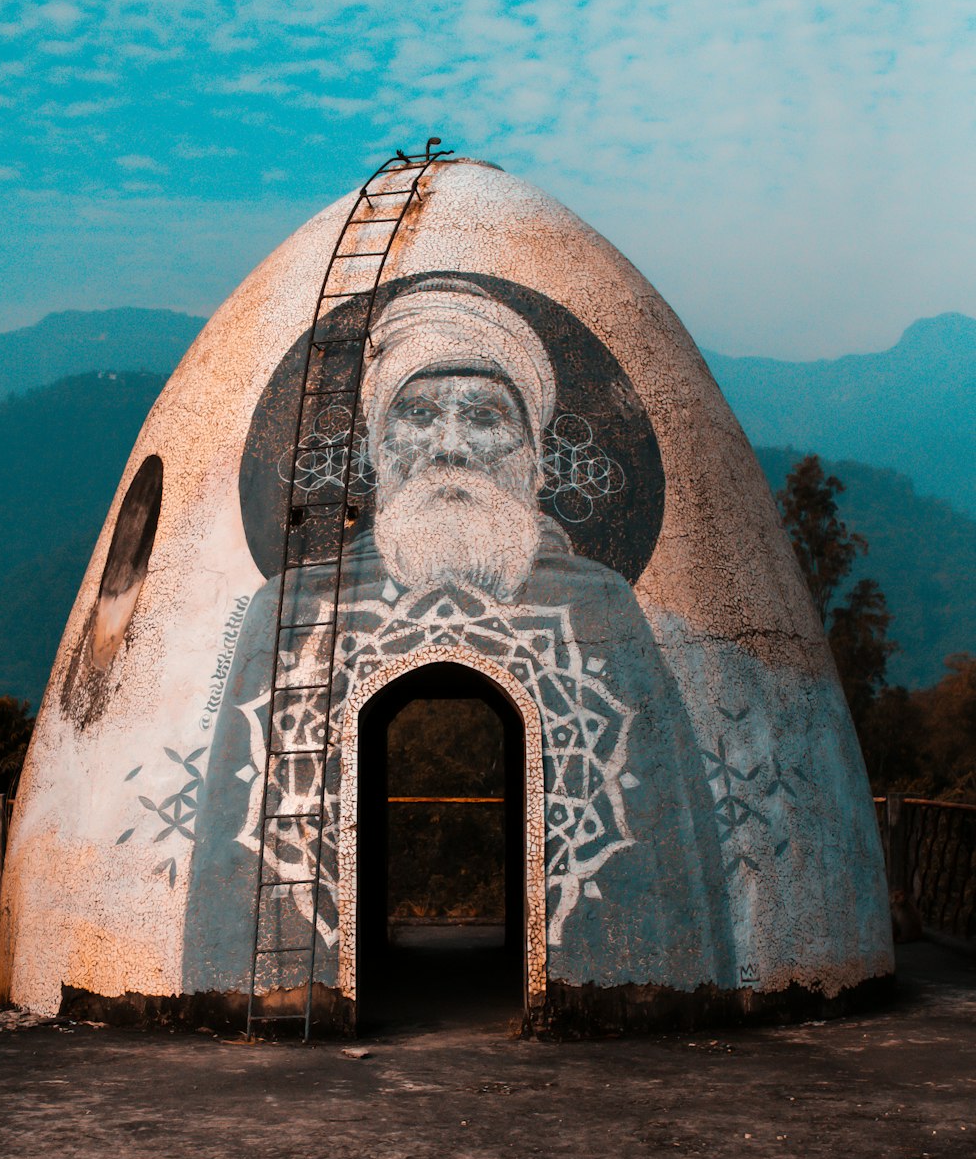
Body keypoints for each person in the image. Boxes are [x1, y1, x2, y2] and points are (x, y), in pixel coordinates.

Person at [183, 281, 732, 996]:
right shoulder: (290, 606)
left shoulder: (600, 606)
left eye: (484, 416)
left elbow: (660, 866)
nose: (448, 445)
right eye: (415, 414)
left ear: (534, 453)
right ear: (377, 448)